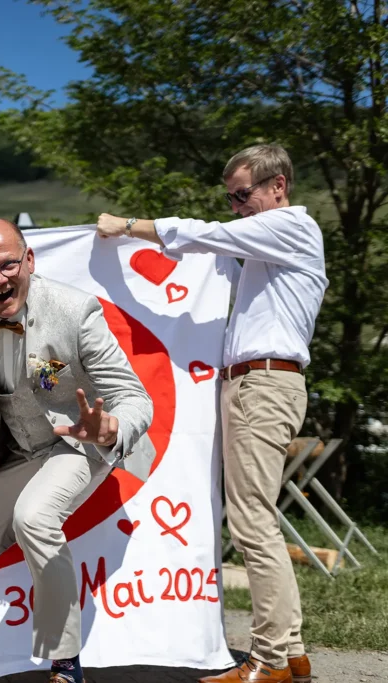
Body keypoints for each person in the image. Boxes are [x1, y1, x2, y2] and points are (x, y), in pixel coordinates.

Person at [96, 144, 327, 683]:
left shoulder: (290, 226)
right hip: (258, 382)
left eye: (243, 195)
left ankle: (269, 658)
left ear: (278, 186)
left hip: (263, 383)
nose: (237, 207)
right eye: (231, 198)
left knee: (252, 523)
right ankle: (290, 650)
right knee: (256, 518)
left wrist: (128, 225)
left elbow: (206, 234)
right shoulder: (274, 239)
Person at [0, 220, 154, 683]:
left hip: (78, 441)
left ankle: (64, 661)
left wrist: (109, 429)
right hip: (18, 449)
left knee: (34, 519)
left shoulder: (76, 310)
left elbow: (134, 397)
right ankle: (40, 605)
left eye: (8, 264)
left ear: (29, 260)